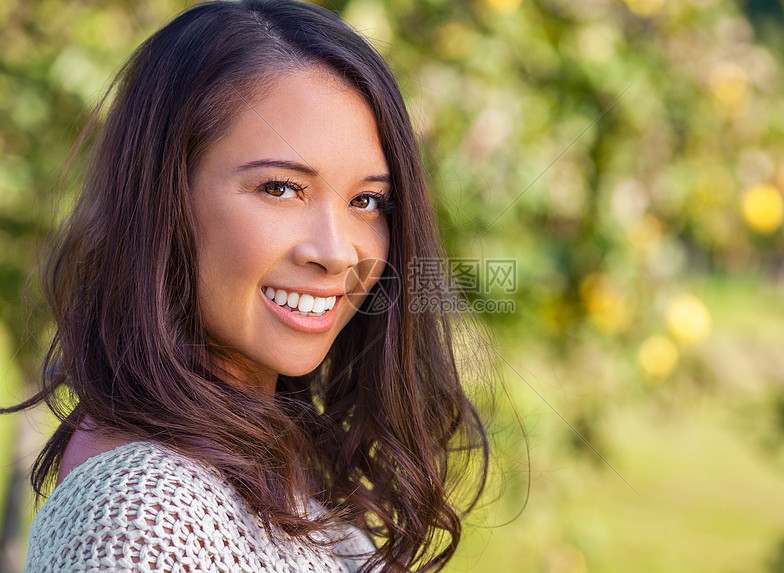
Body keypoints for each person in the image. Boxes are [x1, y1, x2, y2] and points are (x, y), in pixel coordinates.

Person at [3, 1, 490, 571]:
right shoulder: (144, 518)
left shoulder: (282, 486)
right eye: (281, 188)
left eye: (367, 201)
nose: (336, 252)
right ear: (164, 198)